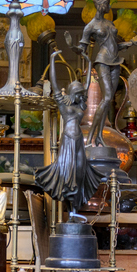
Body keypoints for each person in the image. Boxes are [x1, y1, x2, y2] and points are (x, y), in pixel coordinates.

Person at [73, 0, 137, 147]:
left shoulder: (109, 23)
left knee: (109, 99)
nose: (109, 6)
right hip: (103, 61)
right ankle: (91, 137)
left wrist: (132, 43)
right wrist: (73, 47)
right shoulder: (91, 26)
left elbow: (115, 46)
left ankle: (99, 136)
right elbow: (82, 48)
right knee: (105, 99)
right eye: (106, 3)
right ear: (99, 4)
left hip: (115, 61)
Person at [35, 50, 103, 215]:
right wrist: (52, 59)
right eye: (79, 93)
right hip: (68, 140)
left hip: (78, 140)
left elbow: (87, 83)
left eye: (82, 94)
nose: (82, 96)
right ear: (73, 93)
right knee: (67, 173)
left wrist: (89, 62)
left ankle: (75, 209)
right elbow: (55, 83)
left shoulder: (80, 104)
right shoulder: (63, 104)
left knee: (80, 171)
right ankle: (69, 207)